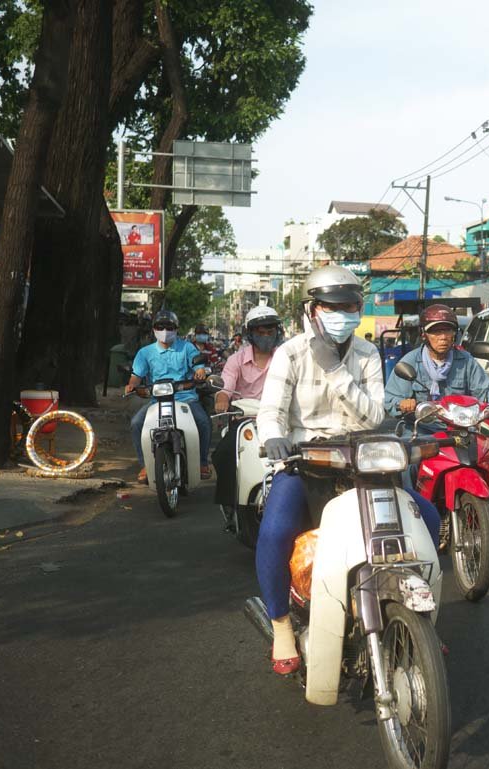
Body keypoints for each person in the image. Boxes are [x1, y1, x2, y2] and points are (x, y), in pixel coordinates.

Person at [255, 266, 440, 675]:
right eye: (332, 306)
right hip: (307, 459)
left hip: (364, 459)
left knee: (426, 517)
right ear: (312, 310)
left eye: (350, 306)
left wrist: (337, 372)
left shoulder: (368, 354)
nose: (343, 313)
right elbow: (271, 412)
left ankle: (423, 620)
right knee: (274, 533)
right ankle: (281, 623)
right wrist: (273, 438)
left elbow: (374, 416)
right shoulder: (290, 353)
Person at [383, 303, 489, 508]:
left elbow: (484, 391)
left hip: (459, 430)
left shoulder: (466, 361)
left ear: (455, 334)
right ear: (424, 334)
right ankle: (410, 507)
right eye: (436, 331)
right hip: (421, 429)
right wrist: (403, 404)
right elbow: (390, 402)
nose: (443, 337)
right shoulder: (410, 361)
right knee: (407, 462)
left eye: (447, 331)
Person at [125, 309, 212, 483]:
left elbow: (198, 366)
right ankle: (144, 465)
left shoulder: (187, 348)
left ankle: (202, 462)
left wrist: (200, 372)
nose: (165, 331)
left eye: (169, 327)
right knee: (136, 423)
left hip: (186, 398)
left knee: (203, 422)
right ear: (154, 329)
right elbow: (136, 376)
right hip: (157, 400)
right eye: (160, 326)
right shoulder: (145, 352)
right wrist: (131, 385)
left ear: (176, 329)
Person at [211, 306, 284, 514]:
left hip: (280, 420)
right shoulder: (236, 360)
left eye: (270, 331)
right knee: (223, 454)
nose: (266, 336)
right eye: (260, 331)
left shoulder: (285, 357)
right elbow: (225, 387)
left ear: (277, 332)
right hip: (244, 420)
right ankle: (231, 503)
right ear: (250, 334)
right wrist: (222, 399)